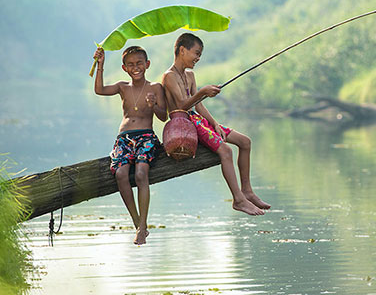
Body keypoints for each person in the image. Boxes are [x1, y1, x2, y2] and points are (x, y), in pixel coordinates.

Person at [162, 33, 270, 216]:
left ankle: (247, 191)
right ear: (182, 50)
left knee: (245, 142)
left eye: (200, 55)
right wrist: (203, 91)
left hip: (199, 120)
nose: (198, 58)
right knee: (226, 151)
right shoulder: (168, 76)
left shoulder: (190, 74)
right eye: (196, 53)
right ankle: (238, 200)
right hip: (185, 124)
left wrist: (215, 123)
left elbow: (198, 105)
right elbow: (181, 105)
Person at [93, 45, 167, 245]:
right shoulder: (122, 86)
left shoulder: (155, 88)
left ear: (147, 64)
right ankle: (138, 224)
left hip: (146, 137)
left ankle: (143, 225)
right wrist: (101, 64)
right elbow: (99, 90)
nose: (136, 68)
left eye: (139, 63)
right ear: (125, 68)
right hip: (124, 138)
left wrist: (154, 105)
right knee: (120, 174)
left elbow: (163, 116)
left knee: (142, 174)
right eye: (131, 65)